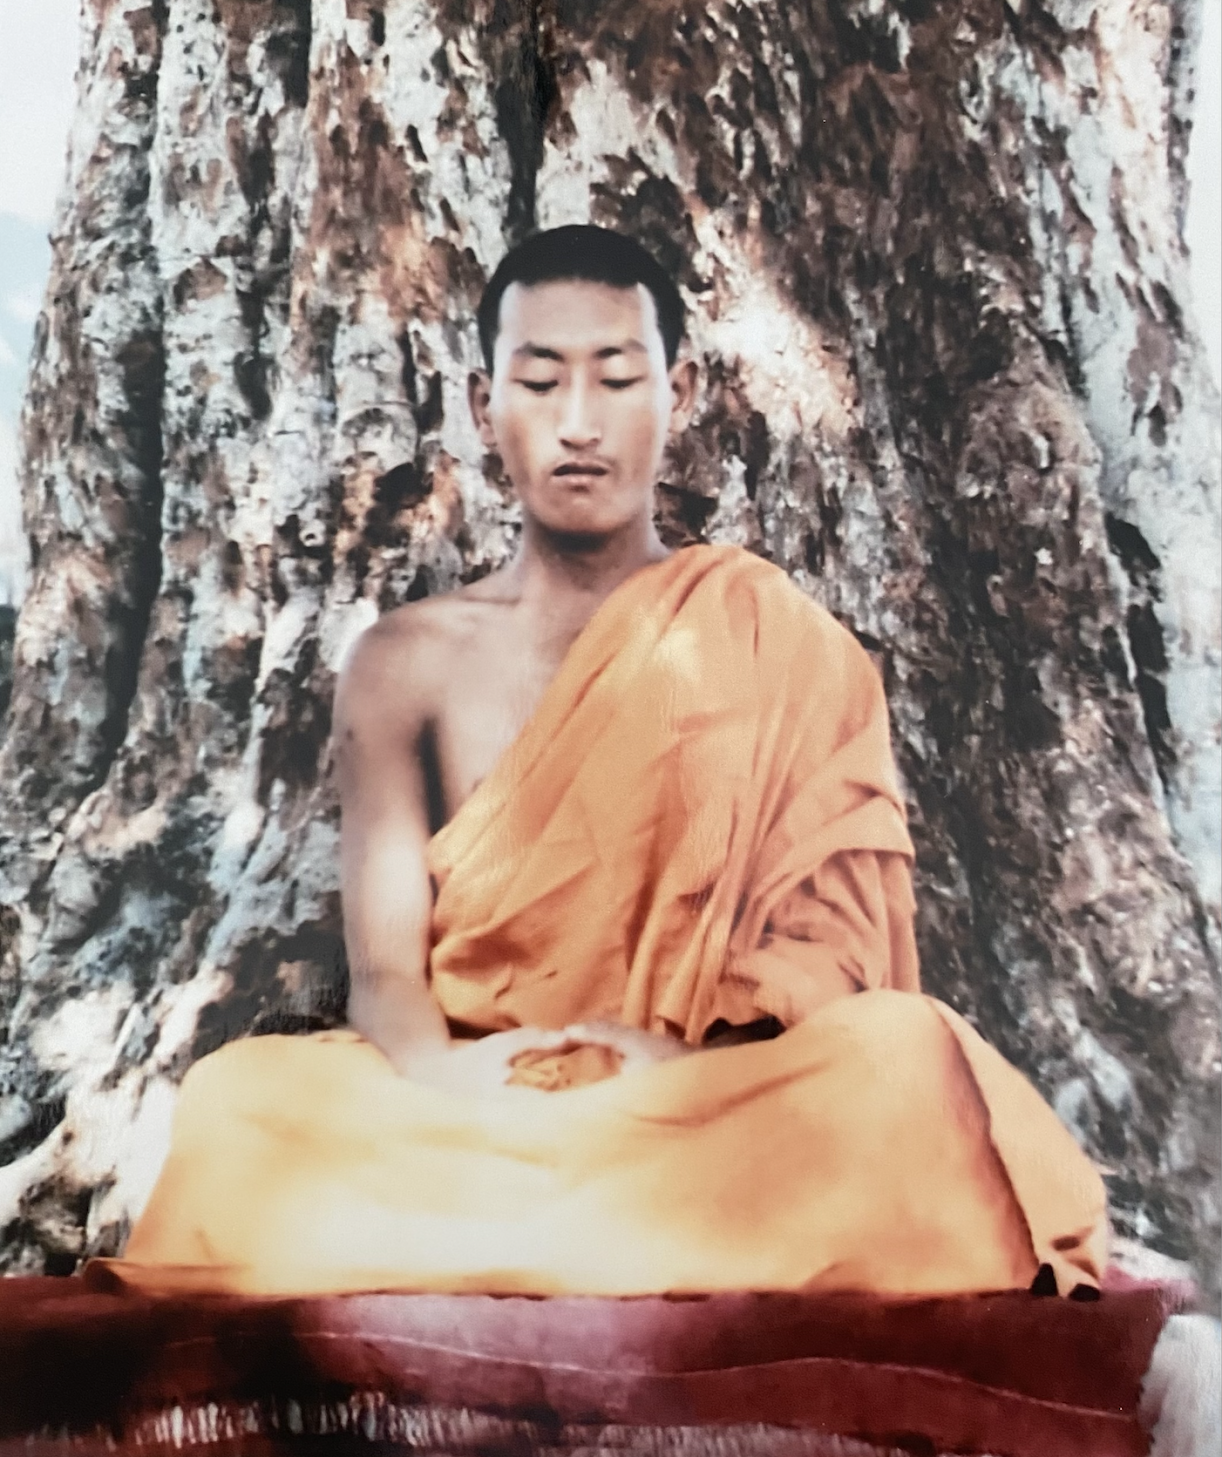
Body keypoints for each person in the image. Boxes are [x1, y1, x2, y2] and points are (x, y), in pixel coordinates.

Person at [101, 225, 1108, 1301]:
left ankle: (513, 1247)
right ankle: (639, 1247)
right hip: (473, 1101)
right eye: (540, 382)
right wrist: (448, 1077)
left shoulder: (786, 643)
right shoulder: (404, 663)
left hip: (696, 1097)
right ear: (486, 405)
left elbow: (831, 957)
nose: (578, 424)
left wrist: (681, 1066)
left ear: (675, 390)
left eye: (617, 378)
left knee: (908, 1065)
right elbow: (387, 973)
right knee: (241, 1104)